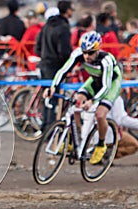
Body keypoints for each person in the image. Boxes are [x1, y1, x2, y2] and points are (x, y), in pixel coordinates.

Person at [44, 31, 122, 165]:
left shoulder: (107, 60)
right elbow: (63, 70)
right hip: (94, 80)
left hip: (110, 85)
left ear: (98, 50)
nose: (86, 56)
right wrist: (52, 87)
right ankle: (74, 139)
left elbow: (106, 86)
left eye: (90, 53)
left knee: (100, 114)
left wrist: (92, 101)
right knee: (75, 103)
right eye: (84, 52)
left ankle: (101, 144)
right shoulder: (78, 54)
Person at [35, 0, 74, 131]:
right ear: (66, 10)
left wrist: (44, 56)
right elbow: (64, 52)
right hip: (56, 67)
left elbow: (37, 47)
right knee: (54, 98)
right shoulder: (63, 27)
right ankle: (51, 130)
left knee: (46, 97)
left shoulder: (46, 26)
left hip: (44, 64)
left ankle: (45, 127)